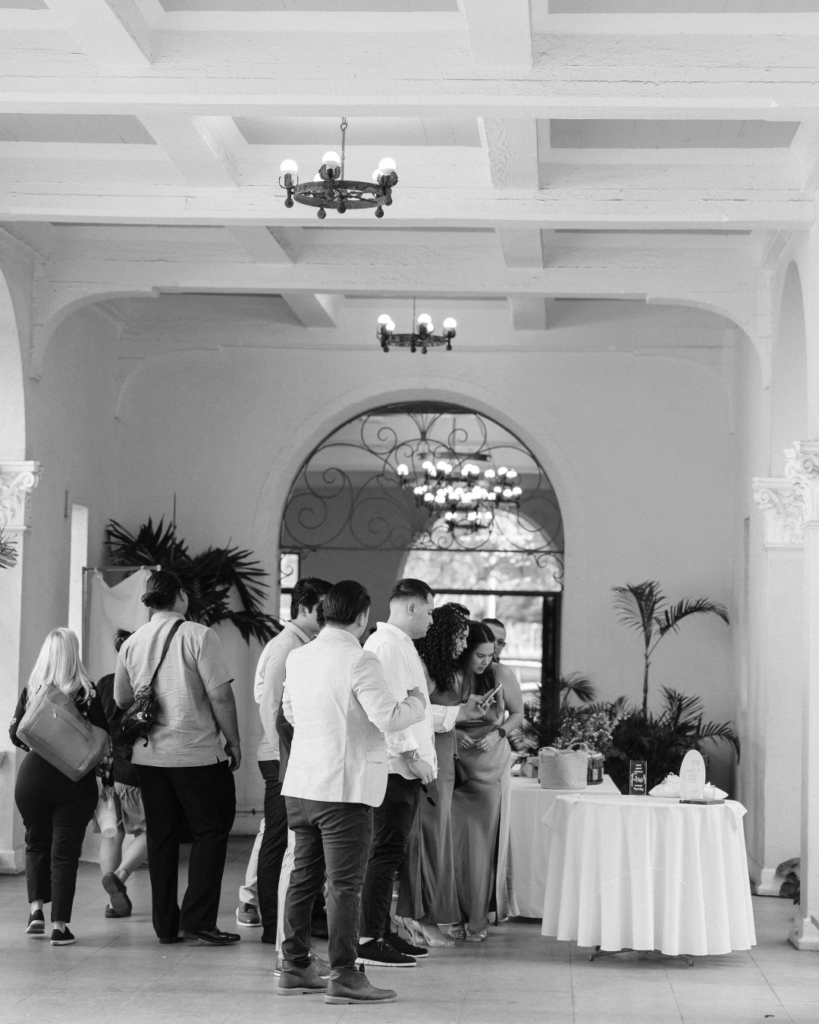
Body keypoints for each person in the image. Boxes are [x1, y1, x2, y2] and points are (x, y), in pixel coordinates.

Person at [277, 579, 426, 1005]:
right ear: (362, 617)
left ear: (324, 613)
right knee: (344, 885)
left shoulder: (299, 657)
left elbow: (289, 711)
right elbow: (389, 716)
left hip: (303, 785)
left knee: (304, 879)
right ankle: (343, 974)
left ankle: (295, 965)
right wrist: (417, 700)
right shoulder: (359, 660)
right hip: (344, 789)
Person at [114, 569, 241, 946]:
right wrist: (233, 741)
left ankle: (165, 925)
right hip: (196, 754)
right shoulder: (199, 635)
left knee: (162, 839)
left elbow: (123, 700)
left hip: (149, 758)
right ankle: (199, 919)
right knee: (211, 830)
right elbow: (220, 695)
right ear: (181, 596)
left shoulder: (132, 642)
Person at [237, 577, 331, 943]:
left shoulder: (301, 643)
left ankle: (292, 917)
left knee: (284, 836)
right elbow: (270, 705)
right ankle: (273, 923)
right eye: (321, 609)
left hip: (289, 754)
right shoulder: (286, 646)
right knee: (278, 838)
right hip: (280, 756)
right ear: (304, 608)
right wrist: (284, 756)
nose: (326, 616)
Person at [10, 628, 110, 946]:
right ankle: (60, 926)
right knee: (64, 854)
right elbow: (101, 739)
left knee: (35, 843)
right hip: (74, 781)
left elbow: (15, 733)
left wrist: (45, 746)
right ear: (73, 654)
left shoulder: (33, 689)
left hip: (33, 777)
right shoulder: (87, 692)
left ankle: (36, 911)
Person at [396, 605, 471, 947]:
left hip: (444, 759)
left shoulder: (440, 668)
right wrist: (462, 712)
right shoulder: (422, 668)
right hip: (429, 761)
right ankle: (415, 917)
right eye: (461, 634)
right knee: (423, 841)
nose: (465, 642)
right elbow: (419, 717)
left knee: (436, 839)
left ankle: (426, 915)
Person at [450, 621, 524, 941]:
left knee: (482, 847)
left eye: (490, 655)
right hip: (456, 768)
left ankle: (478, 919)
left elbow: (518, 714)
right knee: (453, 847)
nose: (485, 662)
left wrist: (499, 733)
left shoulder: (502, 674)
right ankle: (452, 916)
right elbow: (431, 716)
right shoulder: (451, 675)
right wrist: (453, 735)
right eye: (479, 655)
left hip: (490, 765)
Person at [95, 628, 148, 919]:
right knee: (150, 832)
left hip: (104, 774)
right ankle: (121, 877)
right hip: (132, 772)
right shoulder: (143, 684)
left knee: (111, 836)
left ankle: (113, 901)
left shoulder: (103, 683)